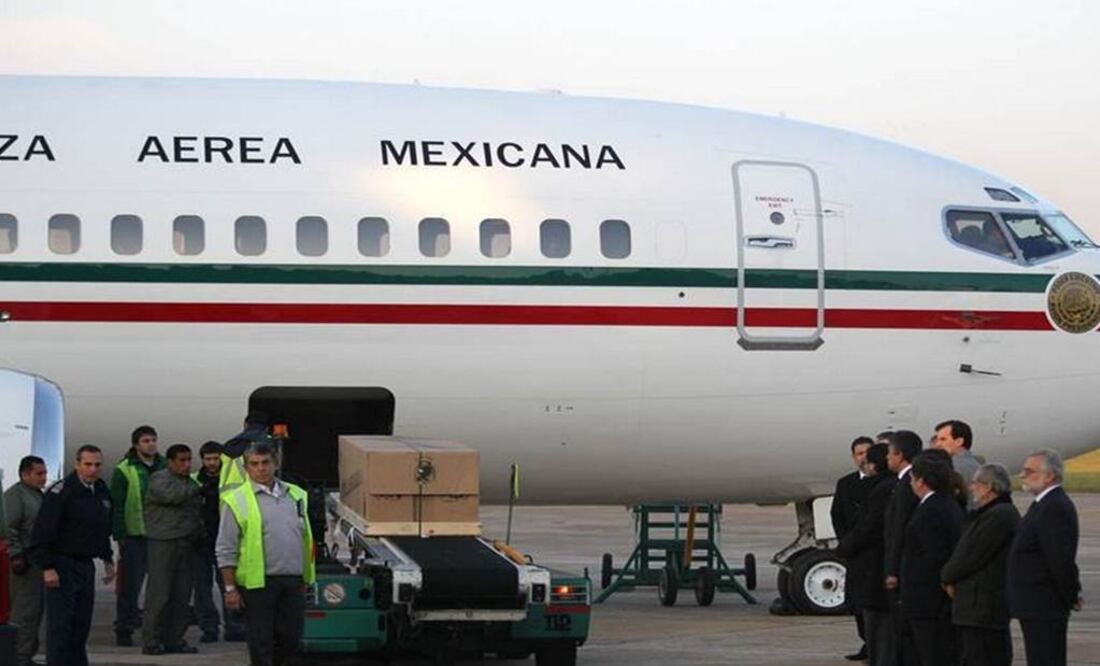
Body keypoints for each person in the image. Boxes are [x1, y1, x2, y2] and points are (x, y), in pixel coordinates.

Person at [216, 442, 315, 666]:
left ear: (275, 464)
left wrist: (308, 578)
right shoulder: (236, 500)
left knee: (291, 640)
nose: (260, 468)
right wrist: (230, 588)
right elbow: (225, 547)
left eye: (265, 463)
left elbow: (305, 537)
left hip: (292, 579)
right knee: (261, 642)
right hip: (258, 583)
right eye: (254, 464)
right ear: (247, 468)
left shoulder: (296, 495)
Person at [29, 445, 115, 666]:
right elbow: (43, 531)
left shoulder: (101, 490)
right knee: (60, 626)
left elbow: (102, 526)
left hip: (85, 563)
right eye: (87, 464)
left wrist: (107, 557)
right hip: (62, 562)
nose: (93, 469)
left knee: (81, 624)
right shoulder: (62, 492)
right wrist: (47, 567)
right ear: (77, 464)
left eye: (97, 464)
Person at [941, 463, 1020, 666]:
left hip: (983, 605)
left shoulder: (999, 515)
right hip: (978, 605)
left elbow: (971, 554)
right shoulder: (990, 513)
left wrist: (947, 576)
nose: (972, 487)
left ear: (989, 486)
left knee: (982, 655)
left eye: (976, 483)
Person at [1008, 449, 1081, 666]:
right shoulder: (1043, 504)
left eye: (1029, 471)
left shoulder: (1054, 507)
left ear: (1049, 475)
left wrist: (1069, 595)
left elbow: (1059, 559)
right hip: (1035, 603)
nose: (1023, 475)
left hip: (1044, 604)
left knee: (1046, 658)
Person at [901, 453, 964, 666]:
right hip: (933, 599)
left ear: (921, 481)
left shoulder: (931, 510)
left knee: (932, 653)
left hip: (928, 600)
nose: (910, 483)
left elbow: (933, 556)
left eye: (912, 478)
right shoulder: (944, 504)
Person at [141, 443, 203, 655]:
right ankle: (151, 640)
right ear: (170, 462)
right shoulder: (160, 479)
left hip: (185, 541)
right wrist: (197, 489)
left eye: (188, 460)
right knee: (159, 593)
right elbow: (172, 496)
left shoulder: (189, 482)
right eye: (182, 461)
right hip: (163, 541)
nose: (186, 465)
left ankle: (174, 638)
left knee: (181, 595)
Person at [836, 443, 894, 666]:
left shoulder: (881, 488)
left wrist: (846, 546)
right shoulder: (852, 483)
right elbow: (838, 515)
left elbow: (871, 526)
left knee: (876, 616)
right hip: (862, 556)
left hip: (870, 560)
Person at [109, 424, 165, 646]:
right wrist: (120, 535)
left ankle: (156, 629)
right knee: (129, 588)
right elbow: (118, 504)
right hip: (135, 536)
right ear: (136, 445)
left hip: (160, 535)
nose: (151, 444)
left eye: (153, 440)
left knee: (160, 587)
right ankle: (124, 627)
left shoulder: (164, 466)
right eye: (145, 441)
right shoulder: (124, 469)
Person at [192, 440, 245, 642]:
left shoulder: (228, 479)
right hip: (200, 542)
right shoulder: (195, 480)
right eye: (208, 459)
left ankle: (234, 627)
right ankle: (209, 628)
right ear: (202, 460)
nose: (212, 463)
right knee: (202, 589)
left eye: (215, 458)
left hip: (223, 541)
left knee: (228, 587)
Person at [882, 429, 922, 666]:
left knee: (906, 633)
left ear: (901, 455)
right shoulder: (905, 482)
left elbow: (899, 532)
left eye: (889, 452)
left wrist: (892, 570)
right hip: (904, 569)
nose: (886, 458)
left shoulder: (908, 485)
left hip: (905, 571)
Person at [832, 435, 873, 662]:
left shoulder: (882, 483)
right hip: (854, 551)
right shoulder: (846, 483)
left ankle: (874, 642)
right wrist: (846, 542)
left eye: (867, 453)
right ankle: (865, 641)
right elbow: (837, 514)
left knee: (872, 601)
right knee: (856, 600)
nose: (864, 458)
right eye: (859, 454)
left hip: (873, 551)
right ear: (853, 457)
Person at [5, 455, 48, 666]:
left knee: (35, 610)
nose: (44, 477)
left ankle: (27, 654)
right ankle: (18, 656)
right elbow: (9, 527)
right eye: (39, 474)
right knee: (25, 611)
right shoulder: (16, 496)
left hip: (38, 561)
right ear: (25, 474)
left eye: (44, 473)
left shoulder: (36, 495)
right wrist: (16, 554)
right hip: (25, 562)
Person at [933, 420, 980, 510]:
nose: (938, 444)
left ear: (959, 441)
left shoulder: (951, 467)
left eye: (943, 439)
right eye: (937, 440)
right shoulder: (976, 465)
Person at [220, 411, 271, 492]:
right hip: (258, 497)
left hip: (229, 498)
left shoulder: (229, 445)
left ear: (245, 425)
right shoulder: (271, 448)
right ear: (267, 429)